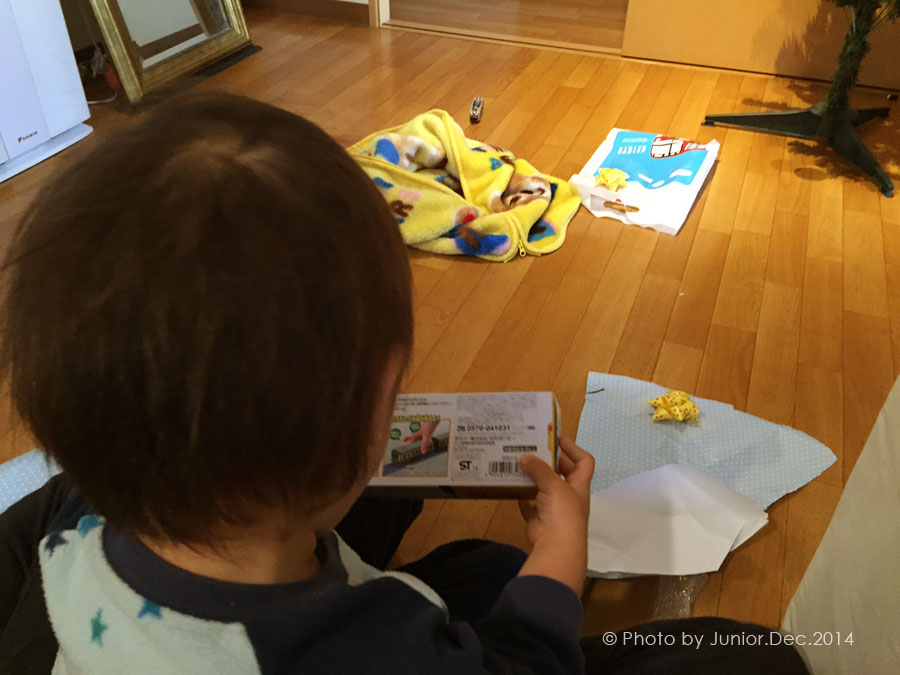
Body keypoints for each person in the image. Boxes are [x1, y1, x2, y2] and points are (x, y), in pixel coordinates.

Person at [0, 93, 807, 674]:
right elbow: (525, 661)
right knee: (752, 658)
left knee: (485, 569)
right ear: (381, 395)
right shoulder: (374, 652)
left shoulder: (78, 504)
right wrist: (564, 553)